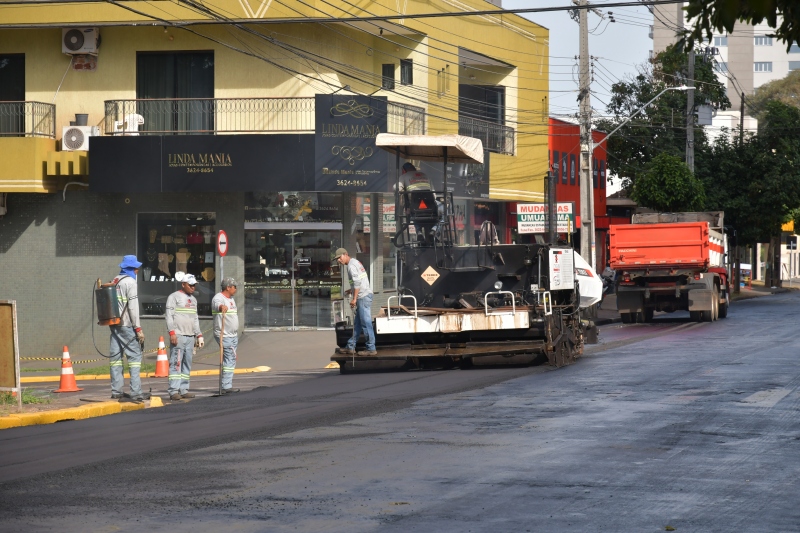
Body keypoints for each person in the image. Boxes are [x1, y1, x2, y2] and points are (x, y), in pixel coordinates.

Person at [109, 255, 146, 402]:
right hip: (126, 325)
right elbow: (133, 307)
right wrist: (138, 328)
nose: (137, 270)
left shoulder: (115, 280)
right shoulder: (130, 282)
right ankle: (136, 392)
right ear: (131, 268)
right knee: (135, 357)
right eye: (136, 268)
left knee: (116, 359)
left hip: (114, 324)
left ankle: (116, 391)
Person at [165, 273, 204, 401]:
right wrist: (172, 333)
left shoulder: (193, 300)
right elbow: (169, 316)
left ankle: (184, 389)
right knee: (176, 363)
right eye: (190, 285)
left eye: (194, 285)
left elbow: (195, 318)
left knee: (187, 363)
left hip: (190, 336)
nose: (193, 287)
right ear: (183, 284)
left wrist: (199, 335)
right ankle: (173, 391)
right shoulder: (174, 297)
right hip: (179, 336)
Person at [334, 248, 376, 356]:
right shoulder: (355, 262)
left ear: (345, 254)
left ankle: (371, 348)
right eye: (337, 259)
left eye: (339, 258)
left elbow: (357, 283)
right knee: (357, 324)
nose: (339, 260)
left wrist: (354, 298)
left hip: (363, 297)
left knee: (366, 324)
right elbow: (359, 281)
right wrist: (351, 290)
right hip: (364, 295)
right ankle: (350, 346)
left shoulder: (351, 266)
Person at [212, 277, 239, 394]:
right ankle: (226, 386)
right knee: (230, 358)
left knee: (231, 359)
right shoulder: (218, 298)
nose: (236, 289)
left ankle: (227, 384)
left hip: (233, 335)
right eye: (234, 287)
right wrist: (221, 307)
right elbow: (217, 305)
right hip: (224, 335)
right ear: (228, 287)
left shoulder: (231, 299)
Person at [400, 162, 438, 244]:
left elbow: (396, 188)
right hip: (430, 207)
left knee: (414, 213)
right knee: (442, 214)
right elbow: (434, 195)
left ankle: (419, 232)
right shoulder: (425, 175)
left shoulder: (404, 176)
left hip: (415, 207)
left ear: (404, 171)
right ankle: (433, 230)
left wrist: (404, 192)